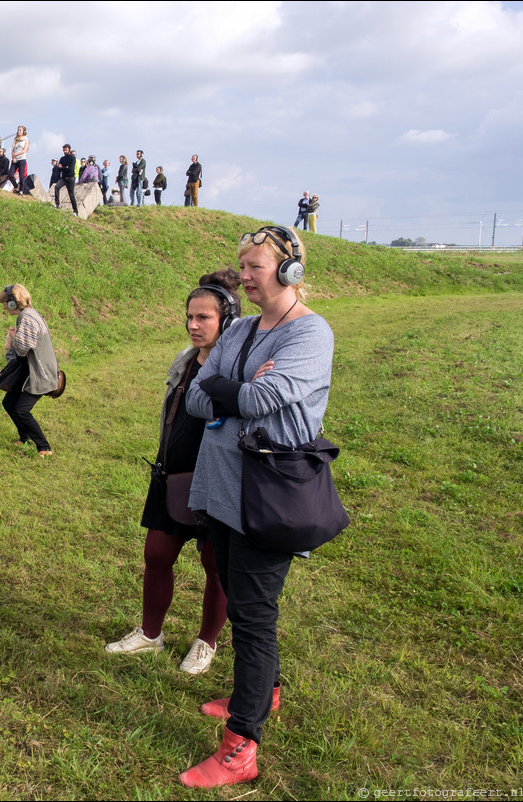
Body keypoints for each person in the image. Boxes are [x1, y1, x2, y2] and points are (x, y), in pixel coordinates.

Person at [180, 225, 334, 789]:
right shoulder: (241, 327)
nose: (242, 277)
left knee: (253, 613)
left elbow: (262, 398)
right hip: (221, 487)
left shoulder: (311, 334)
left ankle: (241, 746)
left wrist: (230, 386)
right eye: (241, 266)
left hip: (267, 494)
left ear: (289, 271)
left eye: (254, 268)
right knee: (239, 598)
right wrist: (234, 387)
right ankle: (263, 691)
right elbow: (198, 396)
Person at [105, 270, 239, 675]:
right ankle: (150, 634)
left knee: (215, 566)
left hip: (217, 483)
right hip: (172, 478)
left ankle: (206, 642)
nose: (194, 325)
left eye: (204, 318)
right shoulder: (184, 360)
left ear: (227, 320)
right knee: (157, 554)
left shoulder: (235, 369)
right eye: (190, 317)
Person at [0, 284, 58, 457]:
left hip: (41, 374)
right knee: (9, 403)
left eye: (5, 303)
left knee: (22, 410)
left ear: (13, 302)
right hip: (31, 372)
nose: (3, 306)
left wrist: (11, 338)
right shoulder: (30, 315)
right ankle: (24, 438)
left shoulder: (26, 317)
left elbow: (21, 349)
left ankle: (44, 447)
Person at [54, 145, 78, 215]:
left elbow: (70, 169)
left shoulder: (72, 158)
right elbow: (58, 168)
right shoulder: (62, 158)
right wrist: (65, 167)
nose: (64, 152)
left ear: (69, 150)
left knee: (71, 195)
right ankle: (57, 204)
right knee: (57, 187)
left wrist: (63, 168)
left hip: (70, 178)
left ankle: (75, 211)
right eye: (64, 150)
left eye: (66, 150)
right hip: (63, 178)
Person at [10, 126, 30, 195]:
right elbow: (12, 149)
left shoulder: (26, 140)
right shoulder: (15, 140)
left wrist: (16, 154)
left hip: (22, 159)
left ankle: (21, 190)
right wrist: (13, 157)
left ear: (23, 132)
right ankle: (16, 187)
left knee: (21, 176)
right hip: (15, 159)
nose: (18, 131)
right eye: (18, 130)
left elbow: (24, 150)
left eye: (20, 130)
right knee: (10, 175)